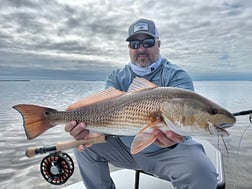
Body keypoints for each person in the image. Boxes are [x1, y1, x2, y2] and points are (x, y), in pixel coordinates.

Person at [65, 18, 218, 189]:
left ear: (158, 43)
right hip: (124, 148)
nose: (141, 48)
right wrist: (86, 131)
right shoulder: (116, 77)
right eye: (134, 44)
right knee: (83, 146)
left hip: (168, 152)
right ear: (129, 48)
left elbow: (188, 119)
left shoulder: (177, 76)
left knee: (203, 173)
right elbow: (104, 110)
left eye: (148, 42)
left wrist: (174, 141)